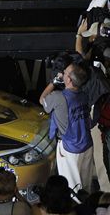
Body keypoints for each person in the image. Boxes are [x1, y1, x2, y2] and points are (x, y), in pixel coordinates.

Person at [40, 62, 95, 195]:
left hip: (69, 148)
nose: (62, 73)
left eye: (64, 72)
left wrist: (54, 81)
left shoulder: (59, 97)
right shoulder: (84, 94)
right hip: (87, 144)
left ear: (69, 79)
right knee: (85, 186)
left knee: (72, 188)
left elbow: (42, 99)